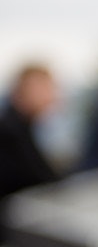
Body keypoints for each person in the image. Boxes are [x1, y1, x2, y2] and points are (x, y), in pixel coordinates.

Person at [0, 64, 62, 236]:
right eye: (46, 88)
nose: (52, 96)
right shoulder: (10, 133)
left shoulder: (21, 129)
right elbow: (42, 180)